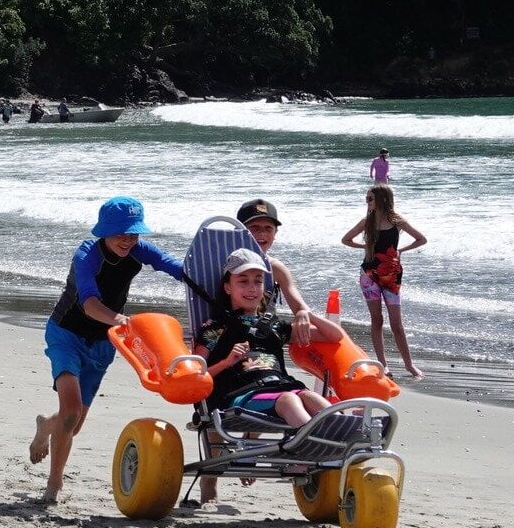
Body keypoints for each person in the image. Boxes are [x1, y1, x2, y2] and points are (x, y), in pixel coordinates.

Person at [28, 197, 186, 504]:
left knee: (72, 423)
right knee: (71, 412)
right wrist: (121, 320)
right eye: (121, 233)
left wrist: (217, 277)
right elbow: (88, 302)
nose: (128, 240)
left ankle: (46, 424)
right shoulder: (87, 255)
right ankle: (54, 485)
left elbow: (176, 268)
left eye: (134, 233)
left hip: (104, 343)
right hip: (66, 334)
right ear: (104, 232)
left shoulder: (138, 251)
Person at [192, 248, 345, 504]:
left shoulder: (274, 326)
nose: (252, 288)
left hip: (279, 387)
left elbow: (336, 336)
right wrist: (228, 361)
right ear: (228, 288)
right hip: (238, 396)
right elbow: (198, 374)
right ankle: (305, 450)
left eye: (258, 281)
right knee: (289, 400)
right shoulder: (215, 328)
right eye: (243, 281)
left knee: (309, 396)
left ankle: (343, 436)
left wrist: (304, 313)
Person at [341, 185, 427, 378]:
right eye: (366, 199)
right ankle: (383, 364)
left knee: (396, 323)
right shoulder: (367, 222)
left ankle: (409, 365)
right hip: (369, 274)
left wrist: (401, 251)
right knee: (377, 320)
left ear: (381, 199)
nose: (367, 202)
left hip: (392, 275)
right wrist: (365, 246)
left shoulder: (396, 221)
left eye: (370, 198)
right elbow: (345, 239)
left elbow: (421, 239)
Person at [234, 199, 316, 345]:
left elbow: (299, 306)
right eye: (254, 227)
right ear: (239, 231)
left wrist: (302, 312)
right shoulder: (226, 264)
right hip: (228, 334)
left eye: (268, 228)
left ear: (275, 233)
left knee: (326, 332)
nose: (262, 233)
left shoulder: (276, 268)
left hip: (264, 334)